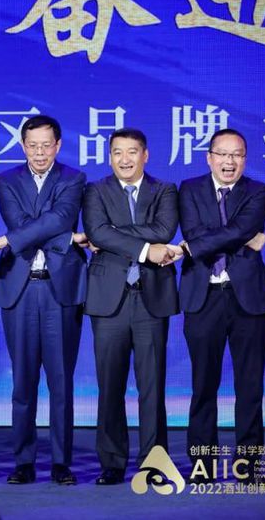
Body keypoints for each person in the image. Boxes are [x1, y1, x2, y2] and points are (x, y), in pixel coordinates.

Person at [0, 114, 87, 485]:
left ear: (58, 145)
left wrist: (51, 231)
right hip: (21, 288)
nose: (40, 152)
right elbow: (21, 224)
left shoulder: (73, 178)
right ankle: (24, 462)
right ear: (23, 146)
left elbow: (60, 218)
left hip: (60, 289)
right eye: (33, 146)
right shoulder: (6, 179)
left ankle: (61, 462)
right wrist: (68, 238)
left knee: (61, 381)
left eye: (47, 145)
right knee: (23, 381)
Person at [82, 128, 179, 485]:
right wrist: (144, 248)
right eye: (117, 152)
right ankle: (112, 462)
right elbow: (96, 231)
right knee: (110, 387)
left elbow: (164, 229)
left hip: (151, 297)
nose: (125, 159)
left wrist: (114, 233)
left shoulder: (165, 190)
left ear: (145, 155)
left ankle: (153, 462)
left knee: (152, 388)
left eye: (132, 152)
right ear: (110, 157)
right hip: (109, 299)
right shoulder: (95, 190)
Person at [177, 128, 265, 482]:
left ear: (244, 159)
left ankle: (248, 467)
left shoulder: (259, 191)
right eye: (222, 154)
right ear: (209, 158)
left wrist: (197, 246)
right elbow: (198, 232)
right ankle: (203, 465)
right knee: (204, 385)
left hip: (248, 299)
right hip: (203, 296)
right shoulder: (189, 189)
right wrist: (244, 238)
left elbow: (237, 230)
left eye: (237, 155)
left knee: (250, 387)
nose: (229, 161)